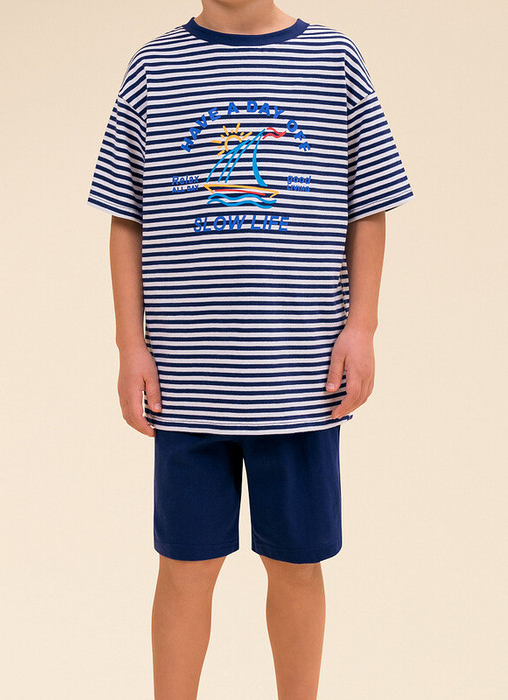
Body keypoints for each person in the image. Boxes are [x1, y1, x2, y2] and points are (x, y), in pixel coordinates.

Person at [87, 1, 414, 697]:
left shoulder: (333, 61)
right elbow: (126, 218)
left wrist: (361, 326)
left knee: (296, 565)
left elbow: (369, 206)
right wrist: (129, 344)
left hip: (300, 382)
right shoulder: (153, 67)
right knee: (185, 567)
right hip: (186, 384)